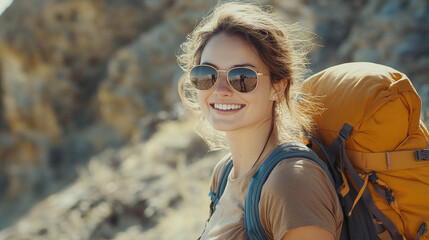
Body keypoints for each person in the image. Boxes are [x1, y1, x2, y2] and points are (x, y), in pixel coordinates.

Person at [177, 2, 343, 240]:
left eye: (242, 77)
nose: (221, 90)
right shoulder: (224, 174)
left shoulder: (292, 182)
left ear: (277, 87)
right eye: (208, 75)